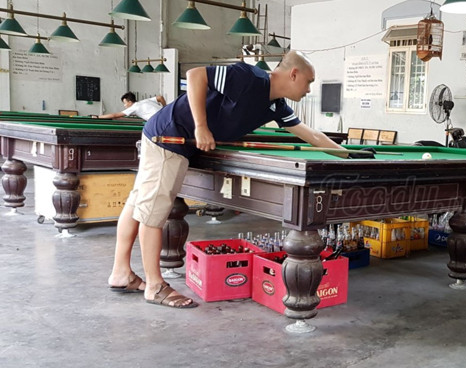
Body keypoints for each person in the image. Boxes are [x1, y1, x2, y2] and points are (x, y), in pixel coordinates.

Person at [107, 51, 346, 308]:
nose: (309, 90)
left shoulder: (276, 106)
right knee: (153, 212)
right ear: (294, 74)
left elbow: (312, 136)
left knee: (138, 203)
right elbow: (195, 75)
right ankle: (155, 286)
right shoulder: (249, 77)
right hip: (169, 138)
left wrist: (348, 155)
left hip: (168, 138)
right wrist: (201, 126)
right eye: (309, 82)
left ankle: (121, 273)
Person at [98, 92, 166, 121]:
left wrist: (98, 117)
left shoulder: (134, 107)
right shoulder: (143, 101)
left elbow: (115, 115)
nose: (124, 105)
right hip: (167, 113)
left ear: (130, 102)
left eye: (125, 103)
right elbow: (160, 97)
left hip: (160, 120)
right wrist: (165, 107)